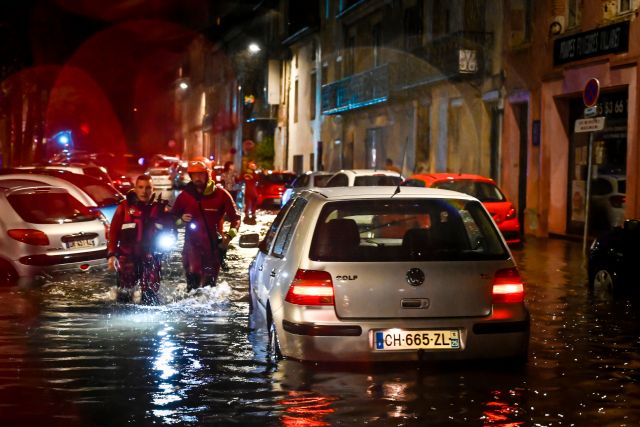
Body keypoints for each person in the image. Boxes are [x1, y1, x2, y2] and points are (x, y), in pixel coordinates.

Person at [171, 160, 241, 291]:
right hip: (191, 248)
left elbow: (236, 219)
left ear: (207, 175)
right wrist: (181, 220)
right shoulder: (184, 196)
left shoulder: (221, 195)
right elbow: (171, 219)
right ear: (190, 177)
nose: (198, 178)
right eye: (194, 175)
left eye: (201, 174)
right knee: (193, 285)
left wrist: (228, 237)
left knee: (209, 287)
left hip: (214, 247)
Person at [107, 175, 172, 304]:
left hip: (150, 258)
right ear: (135, 189)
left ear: (153, 189)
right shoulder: (124, 207)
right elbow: (113, 232)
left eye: (148, 188)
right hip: (127, 258)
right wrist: (112, 255)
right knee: (124, 297)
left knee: (150, 296)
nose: (144, 191)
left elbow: (171, 229)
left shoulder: (159, 209)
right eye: (141, 187)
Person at [242, 161, 259, 225]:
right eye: (252, 165)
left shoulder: (247, 173)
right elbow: (257, 179)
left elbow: (239, 179)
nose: (253, 166)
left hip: (250, 190)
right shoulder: (252, 173)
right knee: (250, 203)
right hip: (252, 191)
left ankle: (249, 214)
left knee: (249, 203)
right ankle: (251, 213)